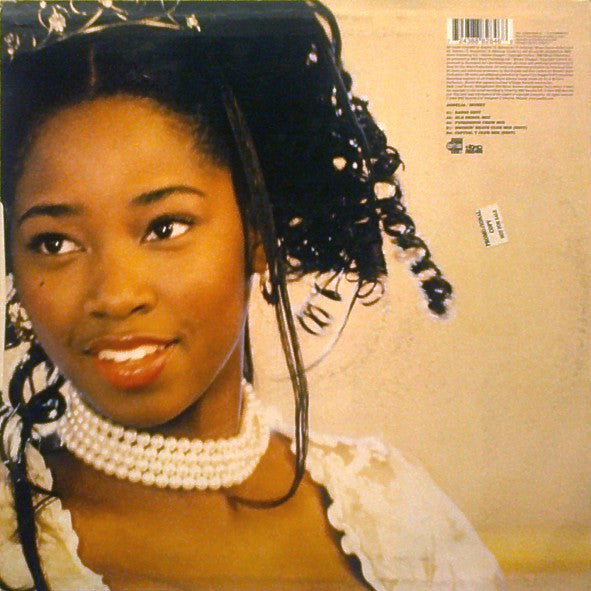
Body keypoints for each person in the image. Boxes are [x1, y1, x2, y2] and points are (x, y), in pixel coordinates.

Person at [0, 2, 504, 590]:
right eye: (55, 242)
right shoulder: (12, 539)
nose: (113, 295)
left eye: (165, 227)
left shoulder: (397, 517)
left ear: (259, 231)